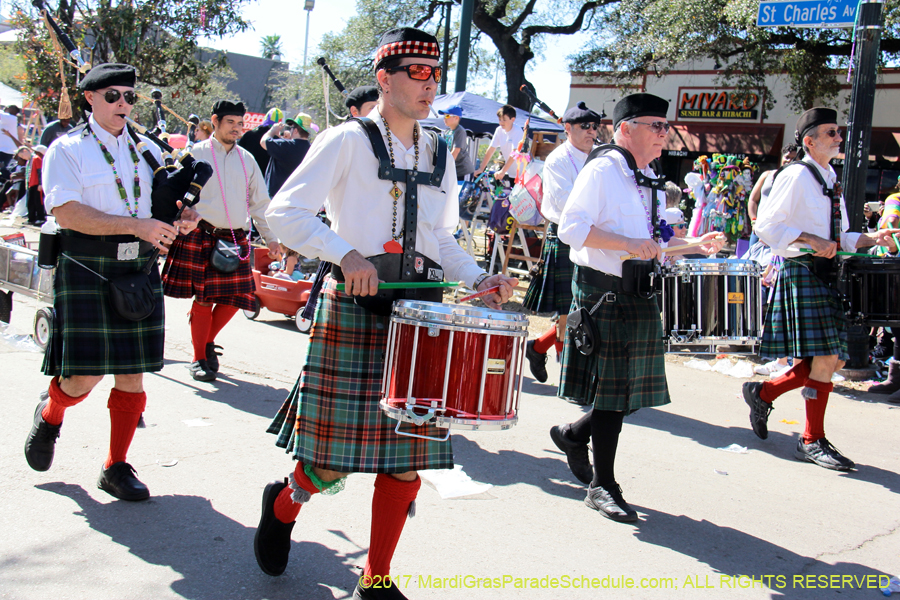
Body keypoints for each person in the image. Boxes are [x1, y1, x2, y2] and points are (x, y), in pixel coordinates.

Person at [259, 27, 517, 599]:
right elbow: (285, 213)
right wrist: (345, 253)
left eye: (435, 75)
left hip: (421, 316)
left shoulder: (441, 148)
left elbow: (442, 237)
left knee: (406, 460)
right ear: (385, 78)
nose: (430, 86)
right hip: (355, 308)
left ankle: (375, 579)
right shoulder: (345, 140)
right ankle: (283, 504)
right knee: (330, 464)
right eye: (417, 74)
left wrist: (478, 278)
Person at [23, 63, 199, 501]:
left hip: (137, 268)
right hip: (88, 265)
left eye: (130, 97)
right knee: (83, 379)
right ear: (90, 99)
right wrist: (136, 225)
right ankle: (50, 414)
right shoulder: (66, 150)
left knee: (132, 373)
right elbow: (66, 213)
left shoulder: (150, 151)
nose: (124, 104)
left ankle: (115, 465)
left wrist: (186, 217)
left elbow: (167, 202)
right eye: (114, 96)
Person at [551, 93, 725, 522]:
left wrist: (691, 244)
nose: (665, 134)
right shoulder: (604, 169)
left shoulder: (645, 173)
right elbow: (571, 228)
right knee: (614, 396)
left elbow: (653, 238)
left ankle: (574, 435)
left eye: (667, 127)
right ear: (626, 128)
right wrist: (627, 245)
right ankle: (602, 486)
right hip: (604, 290)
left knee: (626, 394)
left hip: (637, 290)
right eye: (656, 126)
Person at [744, 108, 900, 471]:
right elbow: (766, 226)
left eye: (839, 131)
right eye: (831, 132)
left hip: (826, 274)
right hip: (801, 271)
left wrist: (870, 237)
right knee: (827, 360)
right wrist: (808, 238)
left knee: (831, 359)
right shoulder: (795, 175)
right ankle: (811, 439)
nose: (839, 137)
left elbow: (839, 236)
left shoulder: (829, 178)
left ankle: (762, 393)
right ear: (809, 140)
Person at [161, 100, 279, 382]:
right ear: (215, 121)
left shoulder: (247, 159)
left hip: (235, 238)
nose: (237, 129)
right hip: (200, 234)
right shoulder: (194, 154)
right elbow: (172, 193)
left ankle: (206, 341)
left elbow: (260, 204)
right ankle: (199, 358)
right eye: (231, 123)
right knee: (203, 300)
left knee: (238, 298)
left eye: (240, 124)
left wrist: (272, 238)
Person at [522, 101, 601, 385]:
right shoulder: (557, 160)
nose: (592, 132)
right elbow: (570, 204)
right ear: (567, 129)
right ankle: (573, 375)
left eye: (595, 126)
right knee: (571, 312)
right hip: (568, 234)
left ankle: (539, 347)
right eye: (585, 127)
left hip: (595, 236)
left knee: (584, 309)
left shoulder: (599, 157)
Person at [748, 144, 798, 247]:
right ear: (782, 157)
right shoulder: (767, 175)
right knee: (752, 261)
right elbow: (753, 200)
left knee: (774, 263)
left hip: (780, 232)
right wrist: (754, 221)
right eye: (787, 157)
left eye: (793, 159)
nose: (789, 161)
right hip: (759, 229)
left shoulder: (797, 181)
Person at [260, 112, 312, 198]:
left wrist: (272, 130)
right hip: (299, 196)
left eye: (292, 128)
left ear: (295, 130)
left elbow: (263, 142)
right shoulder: (311, 148)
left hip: (277, 195)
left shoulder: (287, 146)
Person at [473, 104, 522, 181]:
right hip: (510, 173)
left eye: (504, 120)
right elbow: (491, 149)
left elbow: (515, 153)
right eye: (500, 120)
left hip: (523, 175)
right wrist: (481, 169)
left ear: (513, 119)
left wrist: (503, 171)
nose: (501, 122)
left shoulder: (517, 131)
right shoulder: (499, 130)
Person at [238, 107, 282, 174]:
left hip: (247, 173)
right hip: (266, 178)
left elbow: (238, 153)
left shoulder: (249, 134)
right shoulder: (277, 140)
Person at [438, 104, 474, 181]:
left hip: (463, 171)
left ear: (456, 118)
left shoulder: (460, 131)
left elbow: (456, 151)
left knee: (461, 193)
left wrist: (446, 166)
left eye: (447, 116)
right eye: (444, 116)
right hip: (453, 171)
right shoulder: (447, 131)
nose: (444, 118)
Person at [26, 144, 48, 225]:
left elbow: (40, 172)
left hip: (35, 183)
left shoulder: (37, 159)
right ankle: (32, 218)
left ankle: (40, 217)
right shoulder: (35, 159)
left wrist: (40, 183)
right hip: (32, 183)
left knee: (37, 202)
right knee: (32, 202)